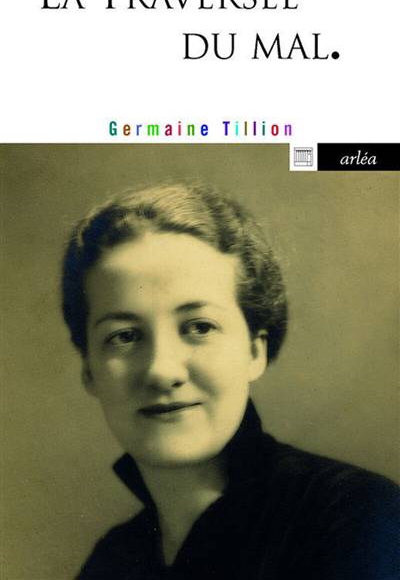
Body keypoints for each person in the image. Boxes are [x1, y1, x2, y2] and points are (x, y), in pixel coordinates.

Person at [62, 182, 399, 580]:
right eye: (125, 336)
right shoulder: (111, 562)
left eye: (200, 327)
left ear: (255, 351)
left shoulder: (356, 516)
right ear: (90, 370)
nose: (162, 370)